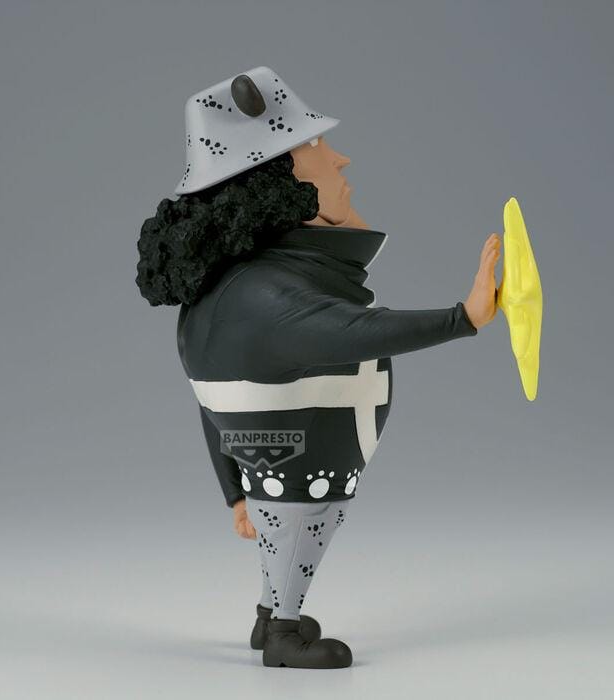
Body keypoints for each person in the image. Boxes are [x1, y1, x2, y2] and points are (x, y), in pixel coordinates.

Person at [137, 66, 499, 669]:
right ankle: (283, 633)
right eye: (318, 149)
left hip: (278, 458)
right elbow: (352, 331)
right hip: (300, 458)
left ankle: (270, 614)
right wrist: (464, 317)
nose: (341, 159)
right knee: (301, 521)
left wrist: (235, 491)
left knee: (287, 521)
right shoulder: (266, 298)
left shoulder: (237, 291)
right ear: (280, 185)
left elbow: (211, 406)